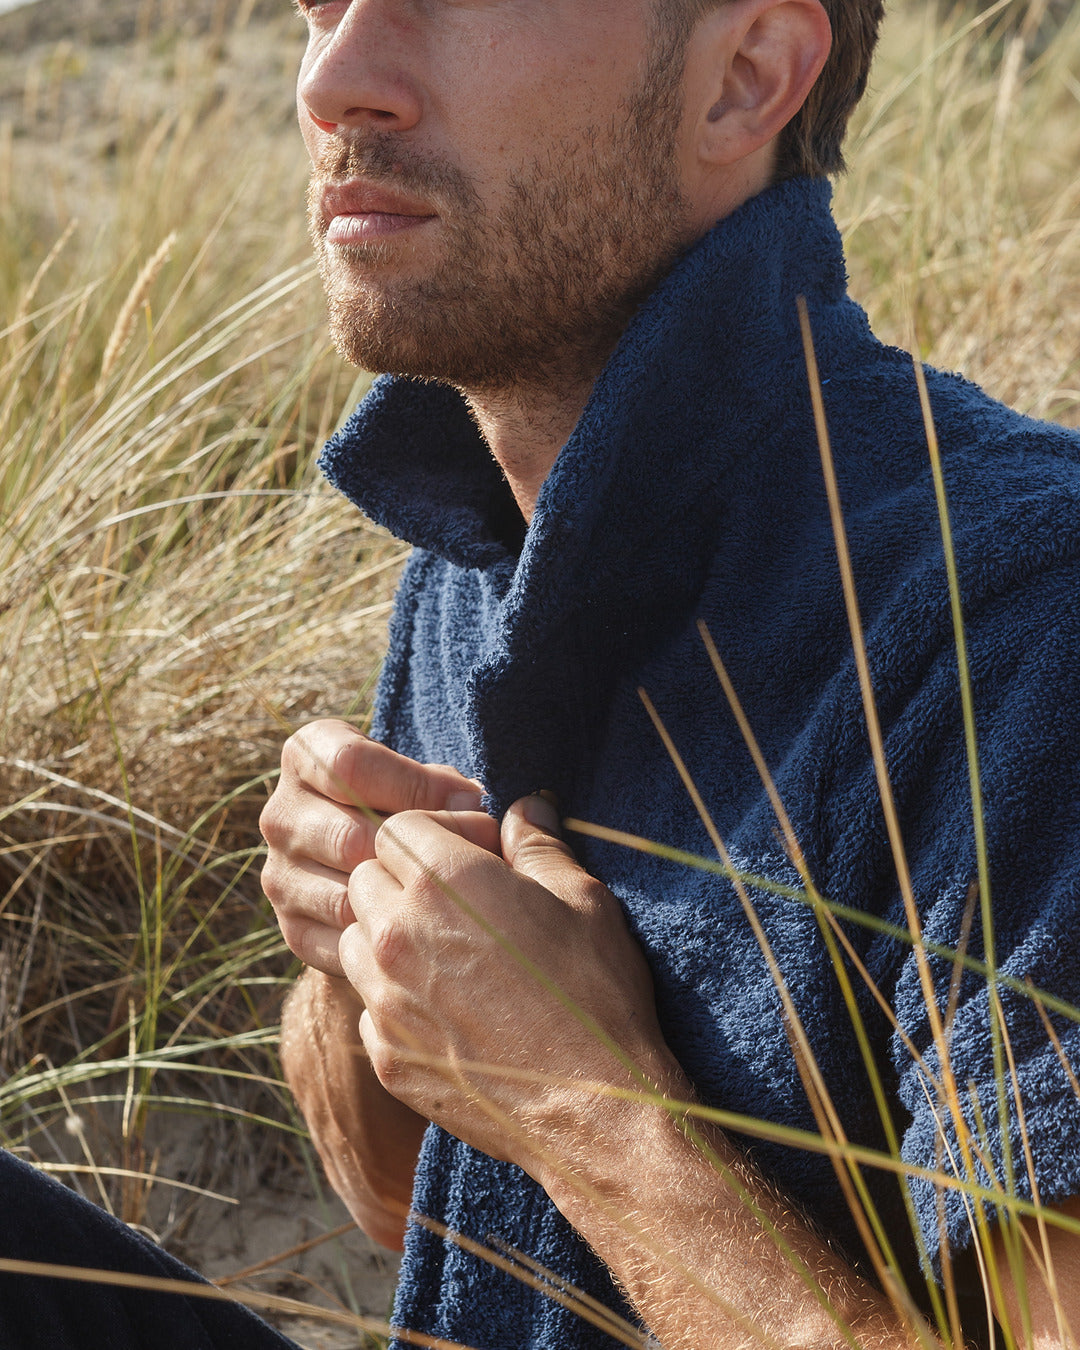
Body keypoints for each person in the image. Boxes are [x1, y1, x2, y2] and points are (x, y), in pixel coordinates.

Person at [256, 0, 1080, 1348]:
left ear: (745, 77)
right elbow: (406, 1212)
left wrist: (585, 1102)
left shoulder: (1018, 616)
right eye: (319, 3)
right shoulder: (470, 560)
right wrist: (363, 963)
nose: (338, 81)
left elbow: (553, 1134)